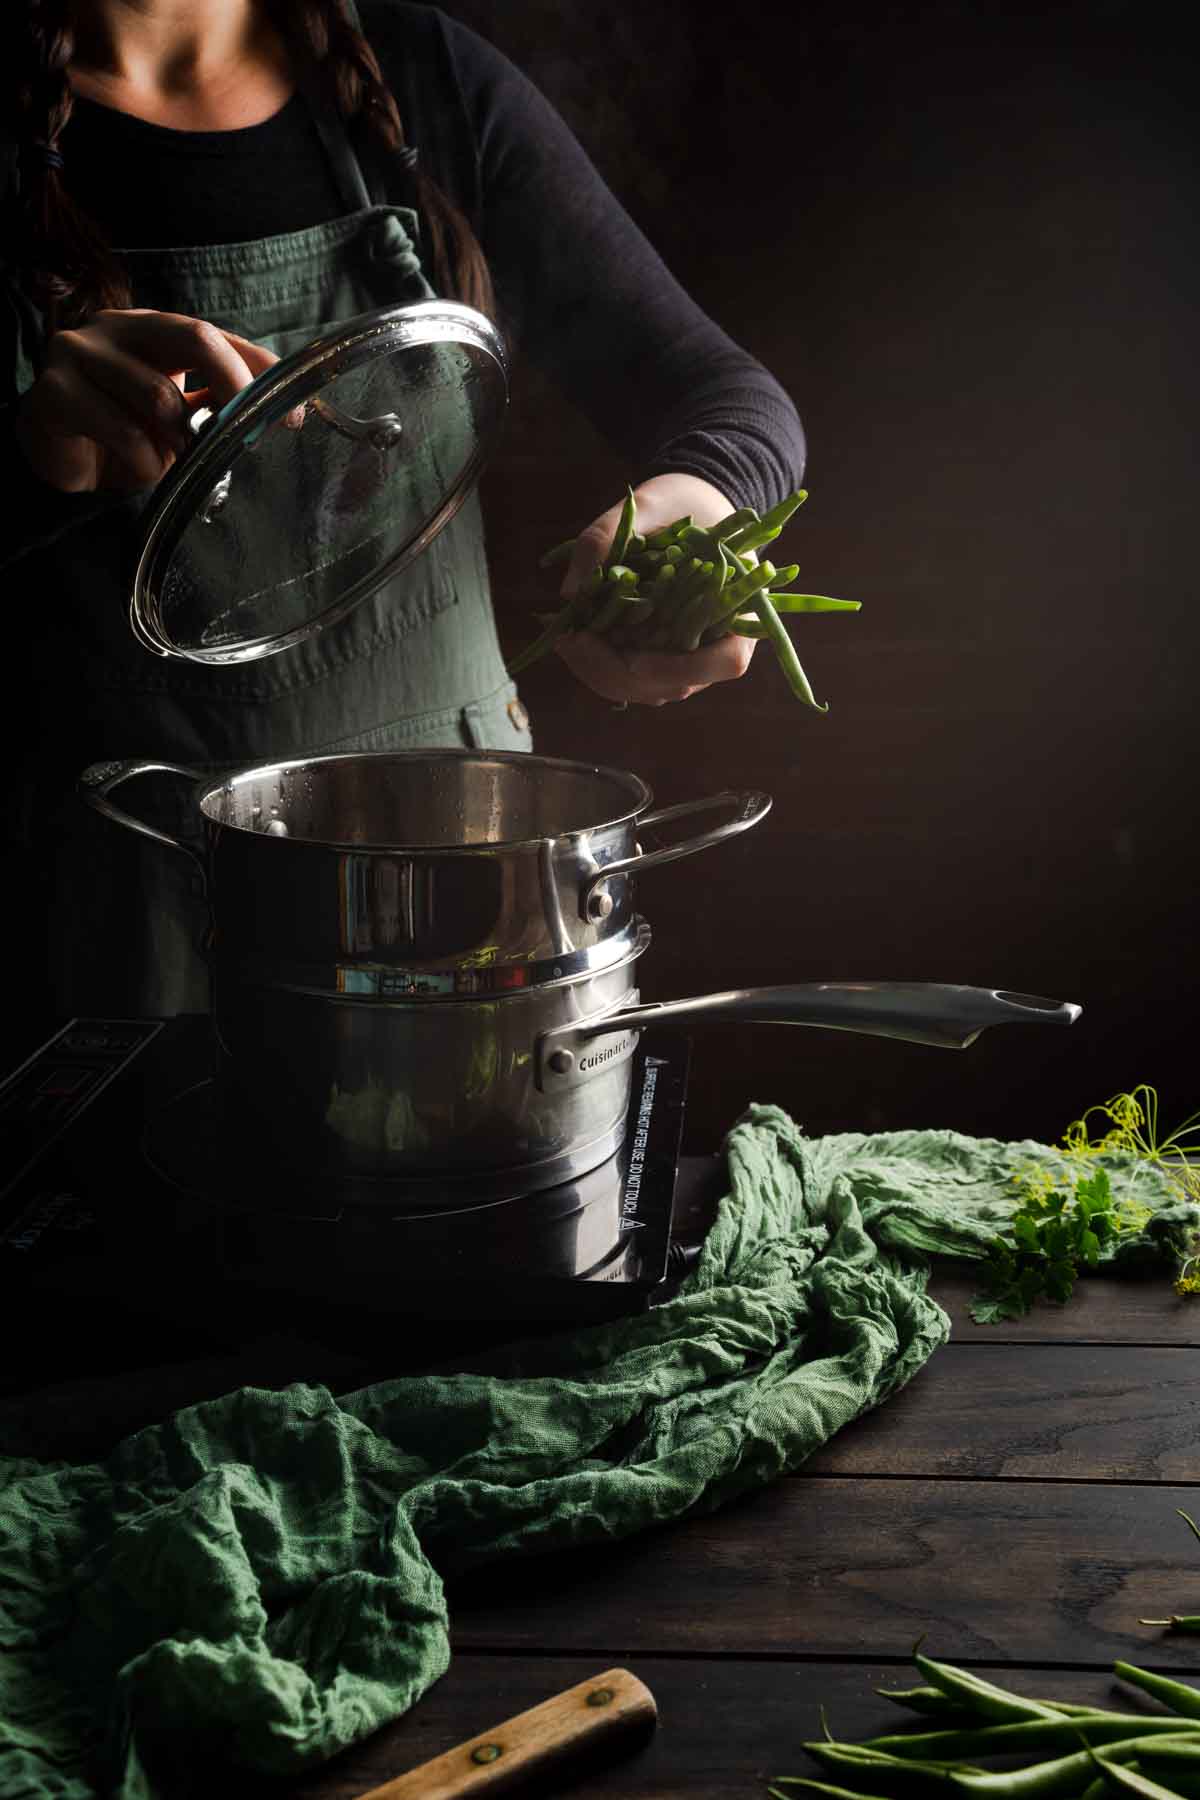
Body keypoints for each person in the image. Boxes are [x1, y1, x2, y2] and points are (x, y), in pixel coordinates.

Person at [1, 0, 806, 1045]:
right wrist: (29, 455)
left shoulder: (419, 76)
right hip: (119, 905)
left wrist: (687, 508)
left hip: (470, 892)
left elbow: (720, 395)